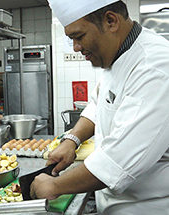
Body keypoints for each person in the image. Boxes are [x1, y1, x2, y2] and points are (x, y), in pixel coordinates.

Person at [30, 0, 169, 214]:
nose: (76, 48)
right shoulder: (118, 55)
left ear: (110, 21)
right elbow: (99, 104)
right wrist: (71, 140)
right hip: (115, 202)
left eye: (79, 36)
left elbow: (118, 163)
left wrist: (55, 185)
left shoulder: (156, 68)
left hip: (147, 207)